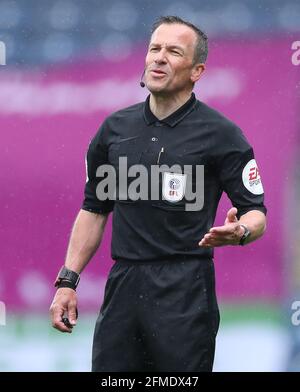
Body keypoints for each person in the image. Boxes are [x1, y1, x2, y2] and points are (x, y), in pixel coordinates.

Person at [49, 15, 267, 372]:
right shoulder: (114, 131)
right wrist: (67, 281)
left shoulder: (222, 135)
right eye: (155, 48)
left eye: (173, 51)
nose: (159, 57)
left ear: (197, 71)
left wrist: (241, 230)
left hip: (185, 289)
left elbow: (256, 211)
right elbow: (94, 209)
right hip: (123, 288)